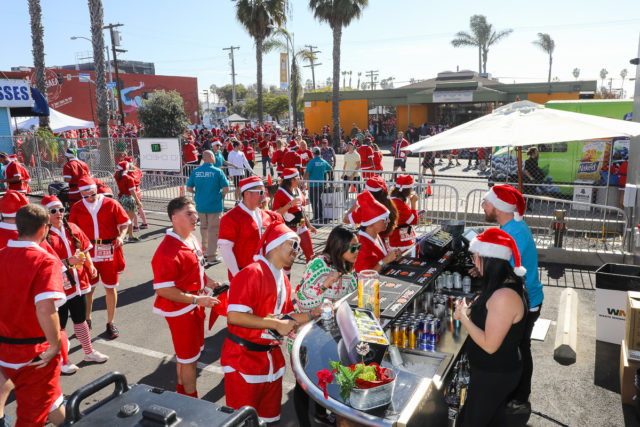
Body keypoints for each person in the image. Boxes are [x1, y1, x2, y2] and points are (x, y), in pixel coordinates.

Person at [221, 220, 320, 423]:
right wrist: (275, 324)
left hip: (271, 362)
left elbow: (286, 319)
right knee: (243, 422)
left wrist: (315, 313)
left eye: (298, 246)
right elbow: (235, 316)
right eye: (293, 244)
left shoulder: (282, 279)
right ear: (275, 243)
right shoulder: (251, 273)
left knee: (270, 420)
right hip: (244, 362)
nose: (297, 250)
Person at [0, 204, 67, 426]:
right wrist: (55, 345)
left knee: (52, 402)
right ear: (44, 229)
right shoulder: (45, 261)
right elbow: (45, 308)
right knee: (32, 419)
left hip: (5, 350)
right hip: (35, 355)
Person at [454, 228, 528, 426]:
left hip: (495, 374)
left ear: (485, 257)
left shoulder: (504, 296)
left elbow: (489, 345)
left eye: (475, 256)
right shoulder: (499, 285)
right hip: (491, 372)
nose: (473, 261)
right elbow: (488, 314)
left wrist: (464, 318)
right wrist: (470, 311)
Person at [480, 184, 544, 414]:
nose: (483, 206)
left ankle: (519, 397)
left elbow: (502, 271)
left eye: (486, 202)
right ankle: (516, 393)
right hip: (527, 297)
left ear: (499, 207)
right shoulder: (510, 225)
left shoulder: (512, 233)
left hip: (527, 300)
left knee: (519, 349)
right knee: (518, 347)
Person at [151, 197, 223, 398]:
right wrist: (197, 300)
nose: (195, 217)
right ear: (174, 218)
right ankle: (190, 402)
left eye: (195, 212)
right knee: (189, 360)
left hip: (193, 306)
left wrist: (207, 281)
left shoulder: (191, 238)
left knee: (186, 358)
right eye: (189, 214)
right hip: (181, 311)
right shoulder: (166, 251)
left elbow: (196, 267)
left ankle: (181, 395)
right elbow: (163, 290)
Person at [291, 224, 360, 425]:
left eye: (359, 247)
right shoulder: (318, 265)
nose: (357, 252)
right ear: (339, 247)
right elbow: (303, 300)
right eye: (353, 248)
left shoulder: (347, 266)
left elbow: (352, 294)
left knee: (326, 375)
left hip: (331, 333)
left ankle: (321, 413)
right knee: (303, 384)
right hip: (308, 334)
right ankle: (304, 423)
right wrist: (324, 284)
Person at [42, 195, 109, 374]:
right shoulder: (43, 235)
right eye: (53, 211)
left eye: (61, 210)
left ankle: (88, 352)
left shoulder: (71, 227)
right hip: (59, 288)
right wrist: (68, 262)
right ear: (46, 214)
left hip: (79, 283)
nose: (58, 213)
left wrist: (91, 265)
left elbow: (85, 249)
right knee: (60, 327)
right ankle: (63, 360)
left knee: (81, 320)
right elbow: (44, 263)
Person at [69, 176, 130, 339]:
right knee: (88, 288)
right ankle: (86, 320)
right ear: (81, 194)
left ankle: (110, 322)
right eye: (85, 195)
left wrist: (122, 236)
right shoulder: (77, 207)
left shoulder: (111, 203)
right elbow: (71, 231)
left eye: (92, 194)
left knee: (110, 287)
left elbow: (125, 223)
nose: (89, 198)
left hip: (109, 249)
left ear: (96, 190)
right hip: (88, 252)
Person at [216, 176, 282, 327]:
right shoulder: (231, 217)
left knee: (261, 308)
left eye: (264, 192)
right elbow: (225, 249)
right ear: (247, 194)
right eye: (260, 193)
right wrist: (237, 275)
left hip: (264, 272)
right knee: (242, 311)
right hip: (243, 273)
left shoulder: (265, 215)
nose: (264, 196)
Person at [187, 150, 229, 265]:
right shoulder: (218, 172)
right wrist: (220, 194)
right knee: (213, 230)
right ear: (210, 157)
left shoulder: (195, 171)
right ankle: (212, 257)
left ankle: (204, 252)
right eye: (214, 156)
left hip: (200, 205)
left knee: (203, 229)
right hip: (214, 205)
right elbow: (226, 189)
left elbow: (189, 188)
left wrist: (198, 193)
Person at [272, 168, 317, 277]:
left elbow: (302, 210)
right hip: (290, 230)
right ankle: (286, 284)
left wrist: (310, 225)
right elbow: (276, 212)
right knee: (288, 261)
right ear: (291, 179)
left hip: (302, 227)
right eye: (298, 177)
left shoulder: (298, 190)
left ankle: (308, 282)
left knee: (311, 256)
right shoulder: (280, 193)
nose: (300, 179)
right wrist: (289, 205)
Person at [352, 190, 402, 272]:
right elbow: (363, 277)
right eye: (385, 218)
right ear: (371, 223)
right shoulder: (360, 245)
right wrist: (385, 261)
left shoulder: (376, 235)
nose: (389, 221)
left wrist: (393, 256)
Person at [388, 175, 419, 253]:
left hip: (396, 239)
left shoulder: (393, 200)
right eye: (411, 189)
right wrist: (413, 203)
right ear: (407, 190)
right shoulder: (399, 204)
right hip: (401, 242)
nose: (412, 191)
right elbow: (413, 221)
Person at [115, 161, 143, 242]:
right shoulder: (129, 178)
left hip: (121, 198)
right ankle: (131, 236)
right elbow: (132, 192)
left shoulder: (117, 176)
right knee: (130, 219)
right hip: (129, 199)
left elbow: (117, 171)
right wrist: (138, 201)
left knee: (122, 219)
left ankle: (121, 235)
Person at [304, 147, 333, 224]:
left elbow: (306, 174)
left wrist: (303, 181)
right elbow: (330, 168)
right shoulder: (323, 161)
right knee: (319, 200)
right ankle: (320, 216)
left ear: (313, 153)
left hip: (312, 185)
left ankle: (316, 217)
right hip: (321, 184)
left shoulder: (311, 162)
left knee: (313, 201)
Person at [125, 156, 149, 231]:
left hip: (132, 192)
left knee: (133, 209)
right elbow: (141, 175)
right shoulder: (137, 170)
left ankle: (136, 226)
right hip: (138, 190)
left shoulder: (127, 173)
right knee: (140, 208)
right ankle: (145, 223)